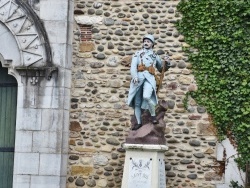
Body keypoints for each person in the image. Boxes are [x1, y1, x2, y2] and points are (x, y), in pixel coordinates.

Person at [127, 34, 171, 130]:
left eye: (148, 41)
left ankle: (153, 115)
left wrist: (167, 63)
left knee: (146, 96)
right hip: (138, 78)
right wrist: (134, 76)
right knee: (137, 103)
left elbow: (161, 69)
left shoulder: (155, 56)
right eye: (145, 41)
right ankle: (138, 123)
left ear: (152, 44)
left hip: (150, 78)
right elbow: (133, 66)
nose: (146, 43)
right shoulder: (137, 54)